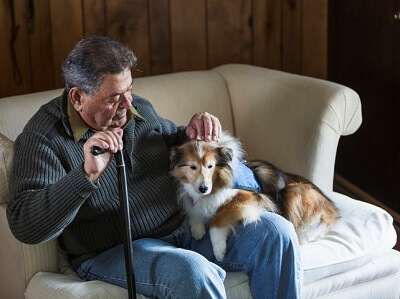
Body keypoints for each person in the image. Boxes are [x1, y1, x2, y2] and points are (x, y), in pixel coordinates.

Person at [7, 35, 302, 298]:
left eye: (129, 90)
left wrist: (194, 132)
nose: (127, 104)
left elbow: (171, 140)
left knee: (277, 232)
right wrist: (86, 175)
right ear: (77, 97)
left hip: (180, 227)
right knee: (193, 271)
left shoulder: (137, 110)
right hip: (115, 249)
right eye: (113, 98)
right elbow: (25, 224)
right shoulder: (42, 139)